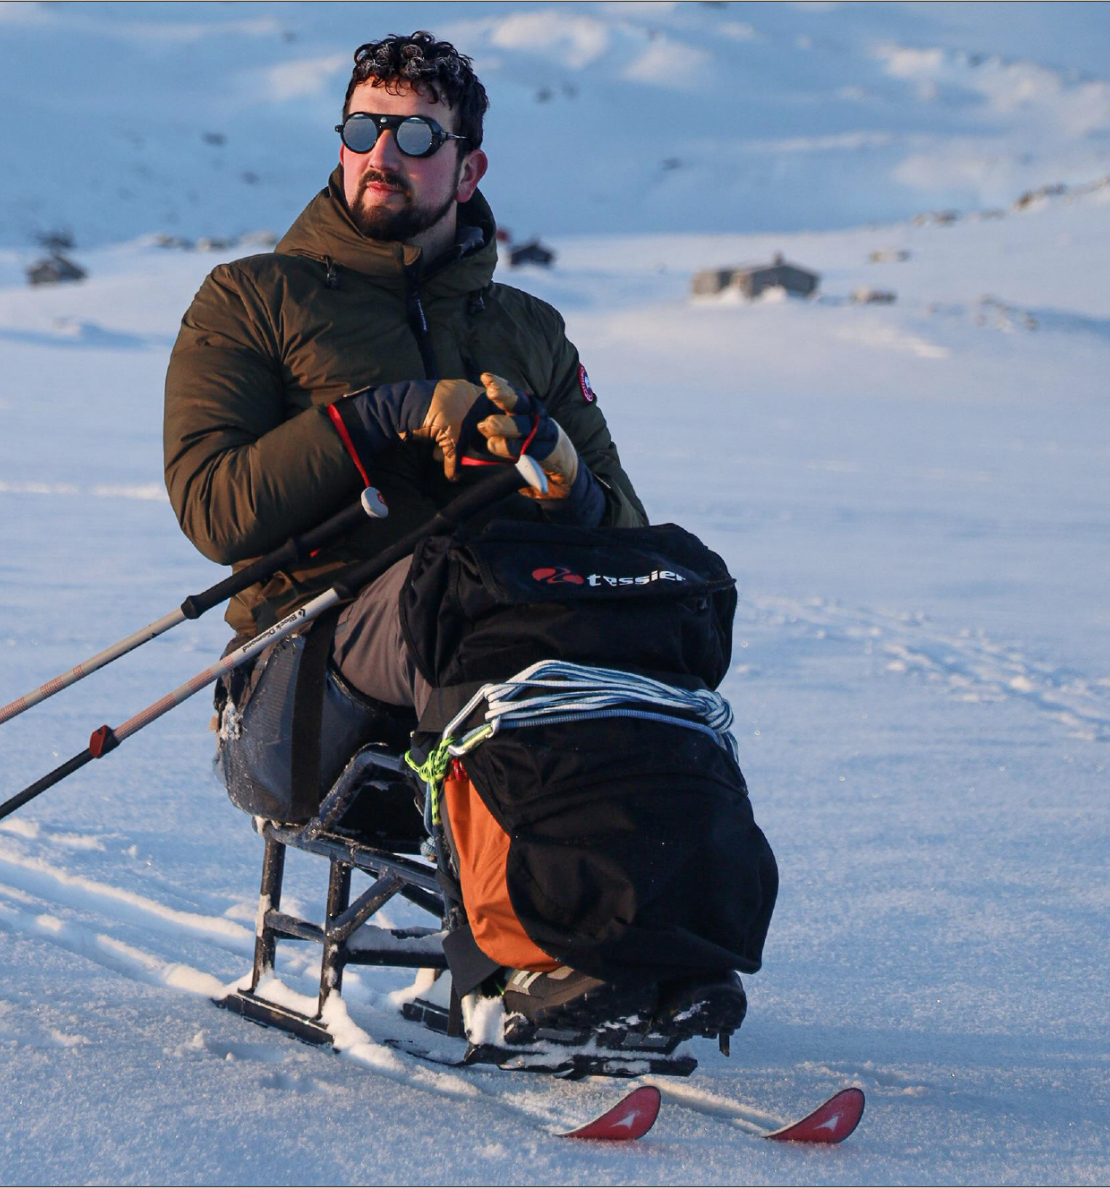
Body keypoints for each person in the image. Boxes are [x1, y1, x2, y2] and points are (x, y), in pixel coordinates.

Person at [163, 32, 749, 1043]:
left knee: (652, 598)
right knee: (471, 600)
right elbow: (214, 511)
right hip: (300, 693)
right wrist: (377, 416)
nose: (380, 152)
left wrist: (559, 476)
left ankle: (664, 946)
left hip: (488, 635)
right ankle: (523, 964)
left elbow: (617, 526)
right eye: (361, 127)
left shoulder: (526, 329)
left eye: (414, 133)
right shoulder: (252, 298)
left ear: (467, 165)